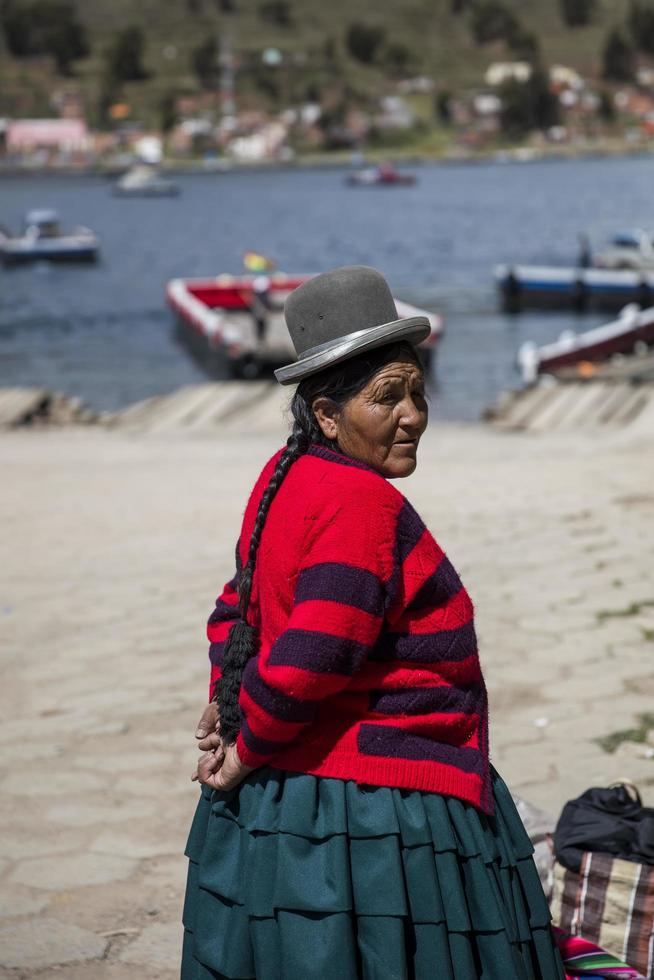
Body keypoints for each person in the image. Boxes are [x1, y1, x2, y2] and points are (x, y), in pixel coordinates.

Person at [181, 266, 564, 980]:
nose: (414, 415)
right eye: (387, 397)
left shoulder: (284, 475)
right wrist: (243, 743)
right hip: (373, 803)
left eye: (417, 392)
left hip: (295, 778)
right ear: (327, 414)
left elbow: (236, 610)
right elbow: (315, 651)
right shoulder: (361, 504)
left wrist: (230, 706)